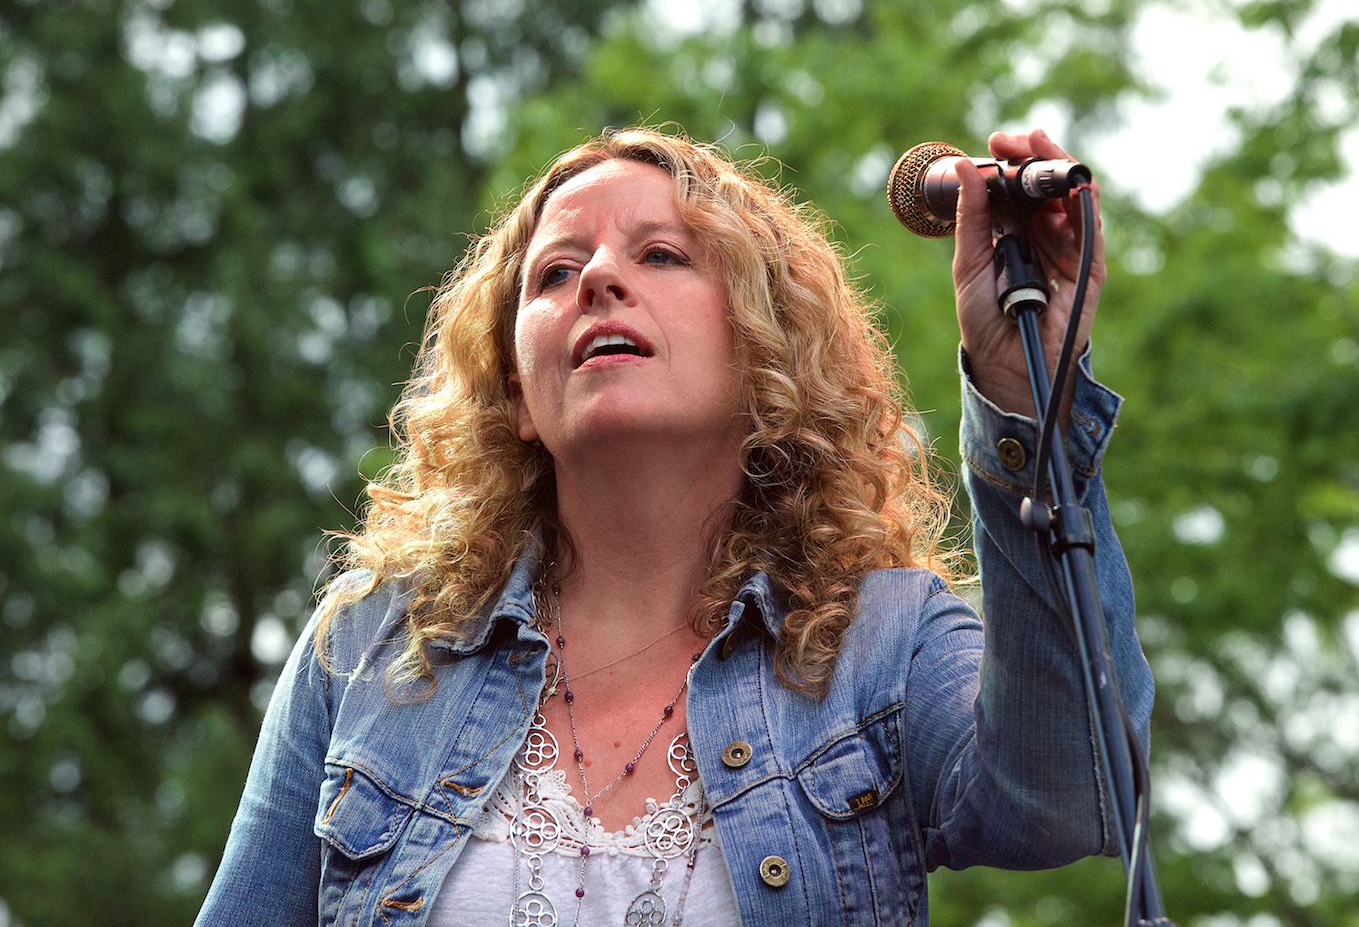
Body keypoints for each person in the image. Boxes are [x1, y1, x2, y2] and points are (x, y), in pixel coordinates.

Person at [195, 125, 1152, 927]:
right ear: (518, 395)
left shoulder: (882, 644)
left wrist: (1024, 393)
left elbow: (1069, 799)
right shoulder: (372, 646)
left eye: (660, 255)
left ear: (763, 355)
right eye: (554, 271)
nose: (598, 279)